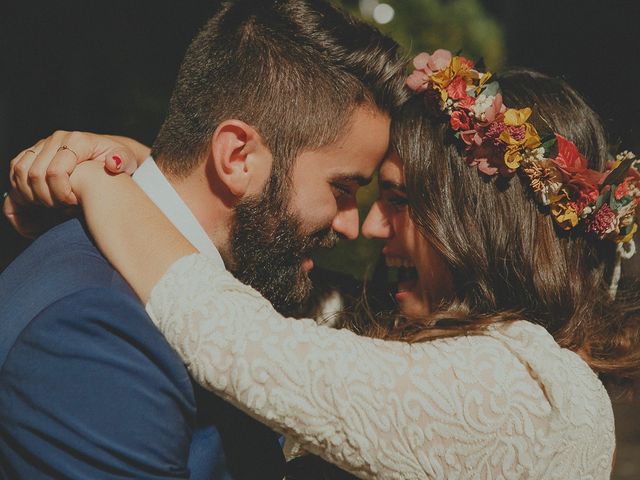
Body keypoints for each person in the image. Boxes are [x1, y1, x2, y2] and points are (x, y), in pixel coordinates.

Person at [10, 52, 640, 477]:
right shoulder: (467, 350)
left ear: (475, 220)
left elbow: (237, 338)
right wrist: (161, 174)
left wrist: (107, 184)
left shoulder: (527, 394)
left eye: (396, 200)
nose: (365, 225)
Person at [0, 1, 406, 478]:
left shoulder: (241, 275)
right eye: (342, 188)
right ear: (236, 157)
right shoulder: (94, 330)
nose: (350, 225)